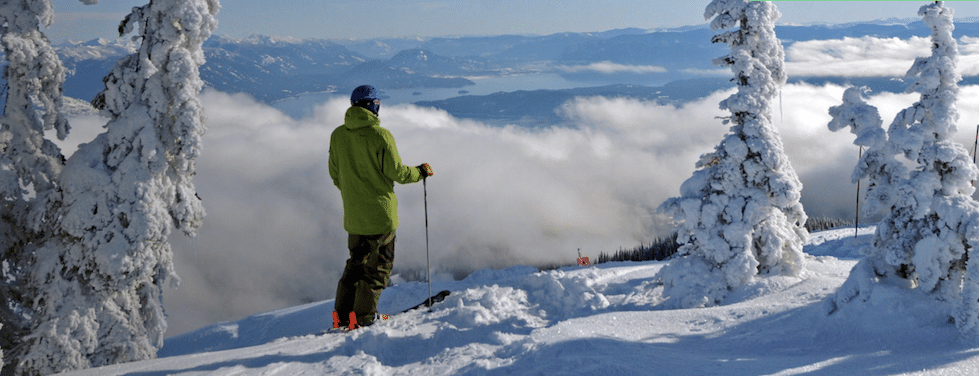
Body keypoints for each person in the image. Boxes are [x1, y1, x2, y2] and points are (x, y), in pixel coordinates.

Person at [328, 84, 433, 329]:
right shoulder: (380, 136)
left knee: (354, 266)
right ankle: (364, 319)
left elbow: (335, 174)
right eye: (377, 104)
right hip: (381, 216)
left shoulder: (338, 135)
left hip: (354, 216)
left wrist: (354, 193)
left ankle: (342, 317)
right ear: (372, 105)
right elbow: (397, 173)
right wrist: (420, 172)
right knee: (377, 270)